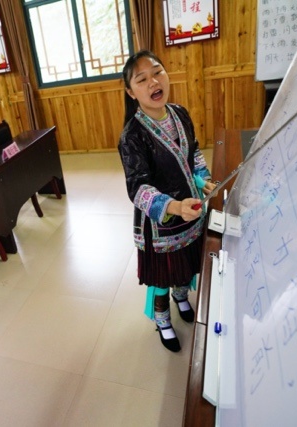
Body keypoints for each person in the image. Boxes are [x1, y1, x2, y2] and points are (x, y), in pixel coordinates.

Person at [118, 50, 216, 352]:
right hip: (160, 225)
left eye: (158, 72)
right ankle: (162, 317)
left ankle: (180, 295)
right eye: (142, 79)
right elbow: (137, 188)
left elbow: (194, 154)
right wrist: (174, 208)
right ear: (130, 91)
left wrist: (203, 180)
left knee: (186, 265)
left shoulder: (180, 113)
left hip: (192, 211)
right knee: (163, 274)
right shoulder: (132, 135)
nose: (153, 82)